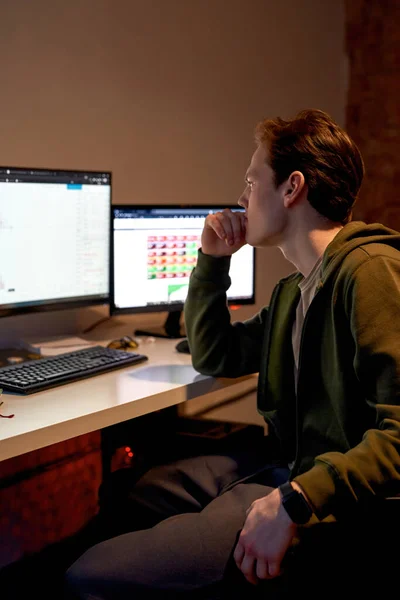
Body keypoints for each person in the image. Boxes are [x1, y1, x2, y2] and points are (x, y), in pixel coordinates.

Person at [64, 109, 400, 599]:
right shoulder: (297, 290)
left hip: (336, 502)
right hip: (295, 467)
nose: (241, 197)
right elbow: (216, 355)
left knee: (86, 577)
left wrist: (296, 501)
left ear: (292, 189)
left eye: (251, 180)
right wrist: (212, 260)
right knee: (131, 492)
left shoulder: (371, 273)